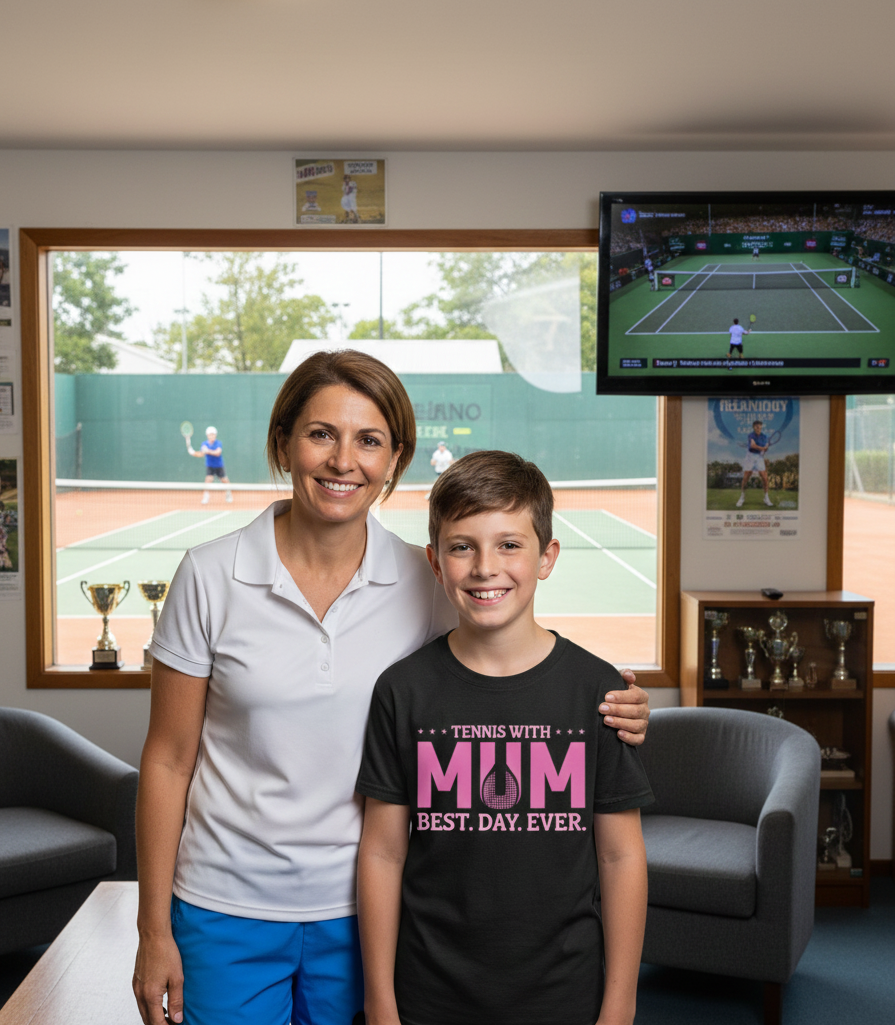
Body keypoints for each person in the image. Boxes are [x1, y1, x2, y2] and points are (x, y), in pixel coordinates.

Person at [132, 351, 652, 1025]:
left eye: (368, 440)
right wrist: (152, 930)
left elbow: (507, 650)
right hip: (226, 900)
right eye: (321, 433)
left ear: (394, 457)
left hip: (366, 909)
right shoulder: (208, 575)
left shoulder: (425, 579)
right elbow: (168, 758)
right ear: (285, 441)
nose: (343, 460)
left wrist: (612, 701)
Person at [356, 450, 654, 1025]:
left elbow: (620, 857)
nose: (484, 566)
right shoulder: (402, 691)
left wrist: (620, 1003)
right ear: (435, 563)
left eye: (510, 544)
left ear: (547, 558)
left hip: (564, 995)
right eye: (462, 546)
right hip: (429, 995)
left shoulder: (599, 690)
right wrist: (381, 1002)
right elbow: (383, 852)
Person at [187, 425, 232, 504]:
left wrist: (208, 451)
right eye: (210, 435)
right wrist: (193, 452)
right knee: (208, 480)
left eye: (213, 434)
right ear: (207, 436)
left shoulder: (218, 443)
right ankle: (206, 497)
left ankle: (228, 494)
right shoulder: (204, 444)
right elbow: (201, 454)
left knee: (225, 481)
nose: (212, 436)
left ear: (215, 435)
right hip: (210, 466)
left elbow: (218, 452)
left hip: (219, 465)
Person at [736, 419, 774, 508]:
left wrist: (765, 449)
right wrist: (762, 448)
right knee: (746, 477)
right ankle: (742, 497)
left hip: (759, 457)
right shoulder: (751, 435)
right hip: (750, 457)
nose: (759, 428)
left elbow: (766, 447)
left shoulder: (764, 436)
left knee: (764, 477)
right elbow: (753, 445)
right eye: (757, 427)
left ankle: (766, 498)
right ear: (754, 427)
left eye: (760, 427)